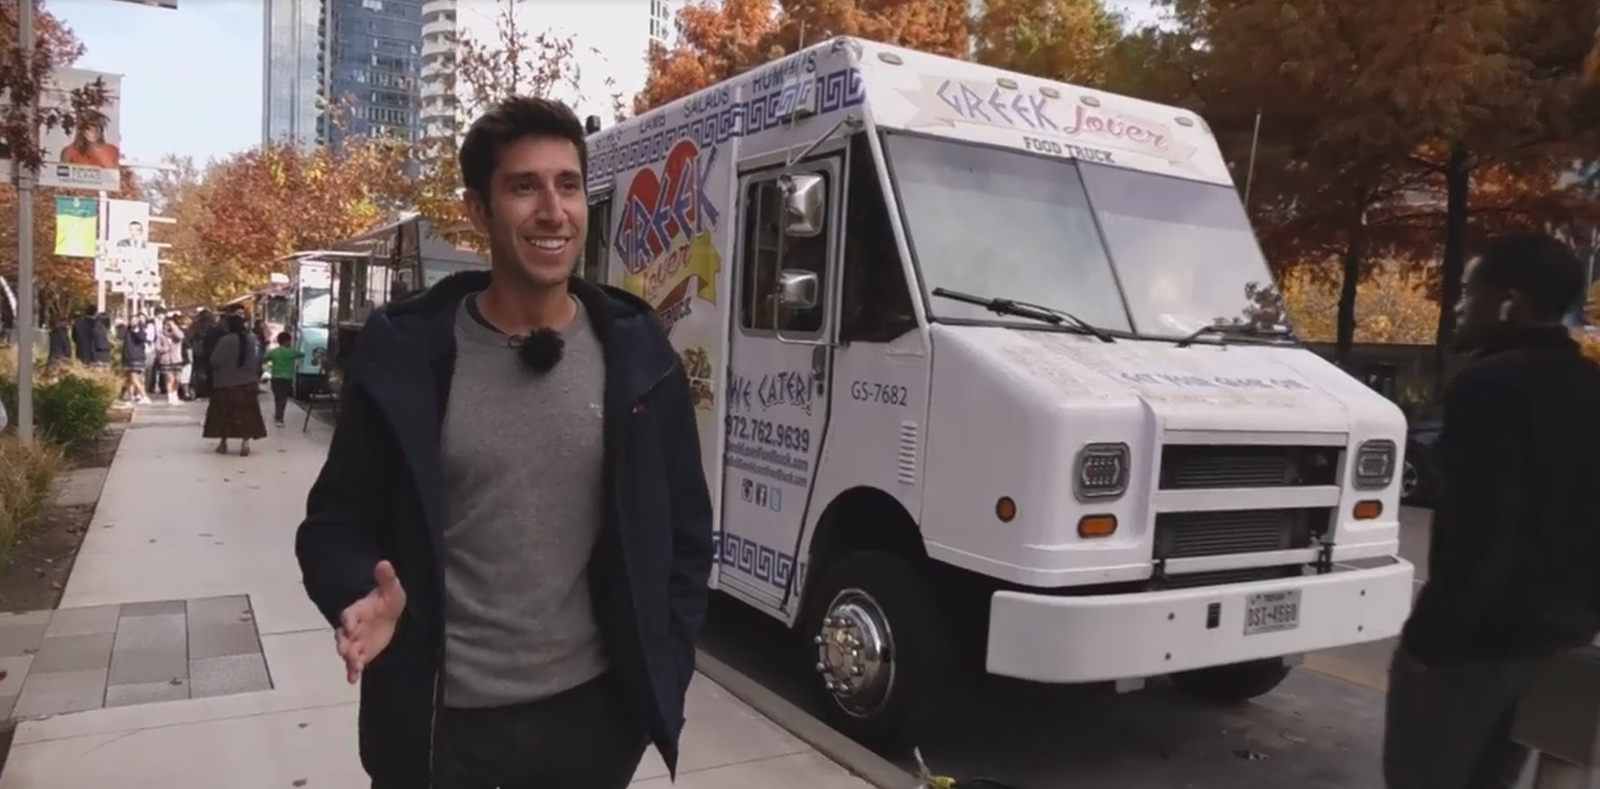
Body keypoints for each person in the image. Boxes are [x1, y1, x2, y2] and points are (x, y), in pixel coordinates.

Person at [294, 96, 714, 789]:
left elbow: (686, 536)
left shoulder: (640, 359)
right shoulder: (407, 361)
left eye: (569, 184)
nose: (553, 210)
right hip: (438, 730)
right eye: (524, 186)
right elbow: (334, 525)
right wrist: (359, 592)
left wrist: (659, 673)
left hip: (592, 727)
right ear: (478, 212)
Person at [1384, 232, 1600, 789]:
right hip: (1562, 642)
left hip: (1476, 649)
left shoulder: (1488, 387)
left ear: (1511, 302)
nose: (1459, 307)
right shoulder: (1588, 388)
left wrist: (1427, 643)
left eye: (1469, 293)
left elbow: (1481, 533)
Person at [202, 313, 267, 456]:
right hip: (246, 384)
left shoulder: (225, 341)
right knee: (246, 416)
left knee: (224, 416)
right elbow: (256, 362)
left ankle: (223, 443)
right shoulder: (250, 341)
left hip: (225, 384)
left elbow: (215, 361)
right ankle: (245, 444)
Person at [262, 332, 302, 427]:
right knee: (283, 399)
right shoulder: (291, 352)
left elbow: (264, 360)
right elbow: (301, 354)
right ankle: (279, 418)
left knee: (277, 397)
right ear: (286, 341)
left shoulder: (273, 352)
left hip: (275, 378)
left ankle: (277, 414)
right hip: (286, 378)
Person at [119, 315, 150, 405]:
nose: (133, 322)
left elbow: (141, 338)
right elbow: (120, 336)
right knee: (129, 379)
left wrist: (135, 330)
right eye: (131, 320)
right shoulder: (126, 331)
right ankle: (130, 397)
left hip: (136, 357)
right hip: (127, 357)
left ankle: (144, 396)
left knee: (134, 378)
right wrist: (125, 326)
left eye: (135, 321)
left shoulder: (140, 331)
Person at [154, 318, 186, 405]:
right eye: (166, 325)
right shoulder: (160, 336)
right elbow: (157, 348)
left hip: (177, 359)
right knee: (169, 379)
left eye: (169, 325)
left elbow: (181, 336)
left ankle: (175, 393)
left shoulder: (176, 335)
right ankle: (170, 396)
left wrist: (173, 326)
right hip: (166, 360)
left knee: (177, 379)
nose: (167, 327)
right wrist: (164, 349)